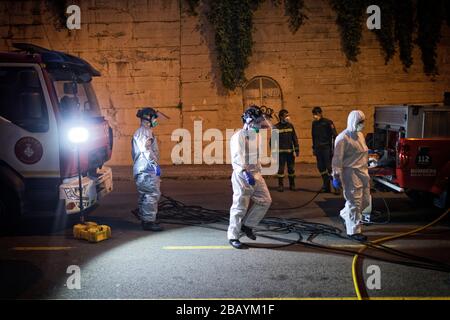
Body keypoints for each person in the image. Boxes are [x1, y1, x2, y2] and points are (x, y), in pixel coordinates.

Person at [228, 105, 272, 249]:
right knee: (240, 206)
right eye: (257, 121)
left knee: (265, 200)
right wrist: (244, 172)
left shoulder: (256, 134)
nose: (260, 124)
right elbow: (237, 156)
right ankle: (233, 236)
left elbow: (270, 127)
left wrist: (263, 117)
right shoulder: (238, 136)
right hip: (243, 176)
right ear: (248, 121)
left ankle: (247, 226)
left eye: (260, 121)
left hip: (256, 174)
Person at [332, 110, 370, 242]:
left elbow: (362, 153)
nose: (362, 124)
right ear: (353, 121)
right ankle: (354, 231)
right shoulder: (343, 138)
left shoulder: (360, 135)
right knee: (355, 201)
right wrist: (336, 176)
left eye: (363, 122)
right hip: (350, 174)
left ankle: (344, 214)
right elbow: (337, 160)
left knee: (365, 201)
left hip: (363, 172)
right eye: (360, 122)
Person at [131, 107, 163, 231]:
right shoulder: (144, 133)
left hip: (142, 168)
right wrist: (154, 166)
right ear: (148, 118)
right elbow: (146, 150)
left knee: (145, 195)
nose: (156, 120)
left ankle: (145, 218)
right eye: (154, 117)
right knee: (152, 194)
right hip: (147, 168)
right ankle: (149, 222)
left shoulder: (142, 132)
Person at [311, 106, 337, 193]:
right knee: (321, 168)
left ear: (320, 113)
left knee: (329, 168)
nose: (315, 116)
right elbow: (313, 137)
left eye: (316, 114)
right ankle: (326, 186)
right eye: (314, 114)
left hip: (327, 148)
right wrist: (314, 148)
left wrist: (333, 148)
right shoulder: (314, 124)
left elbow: (335, 135)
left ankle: (336, 187)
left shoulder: (328, 122)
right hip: (318, 149)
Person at [274, 109, 299, 192]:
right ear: (281, 117)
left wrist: (296, 149)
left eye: (288, 115)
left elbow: (294, 138)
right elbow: (272, 141)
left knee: (291, 169)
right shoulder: (276, 127)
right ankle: (280, 185)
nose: (288, 117)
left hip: (290, 153)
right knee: (280, 170)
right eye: (286, 116)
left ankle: (292, 185)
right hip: (281, 154)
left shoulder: (290, 126)